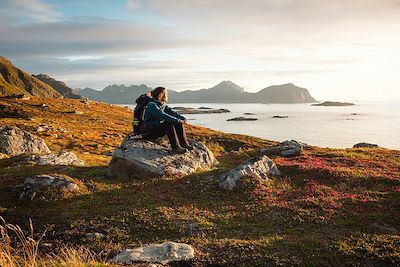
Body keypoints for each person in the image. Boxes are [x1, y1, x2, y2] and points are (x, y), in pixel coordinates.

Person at [141, 87, 193, 154]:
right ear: (161, 95)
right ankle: (175, 148)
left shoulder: (162, 104)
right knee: (168, 123)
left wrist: (182, 118)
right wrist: (178, 120)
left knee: (178, 123)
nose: (167, 95)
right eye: (166, 93)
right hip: (149, 132)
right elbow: (163, 115)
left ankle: (184, 144)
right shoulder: (152, 105)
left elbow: (172, 113)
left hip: (156, 129)